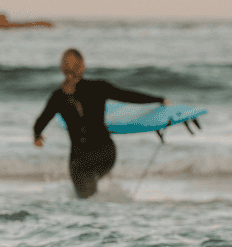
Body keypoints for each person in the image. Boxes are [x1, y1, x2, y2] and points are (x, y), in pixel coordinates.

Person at [33, 49, 167, 198]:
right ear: (83, 66)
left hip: (80, 159)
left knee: (85, 198)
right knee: (92, 188)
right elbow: (127, 95)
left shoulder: (57, 96)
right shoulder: (99, 87)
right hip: (105, 153)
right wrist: (159, 99)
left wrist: (37, 137)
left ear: (62, 69)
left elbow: (39, 123)